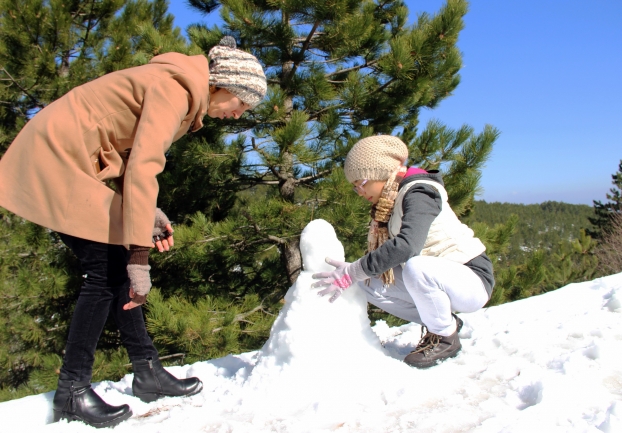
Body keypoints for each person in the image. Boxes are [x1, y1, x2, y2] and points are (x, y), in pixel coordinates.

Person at [0, 36, 266, 428]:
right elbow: (144, 167)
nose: (239, 114)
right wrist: (140, 255)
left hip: (70, 159)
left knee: (114, 264)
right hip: (54, 157)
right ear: (223, 85)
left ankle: (147, 372)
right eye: (242, 103)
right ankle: (72, 390)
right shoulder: (174, 90)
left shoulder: (181, 92)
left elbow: (128, 158)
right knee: (107, 269)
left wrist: (149, 215)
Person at [312, 135, 494, 369]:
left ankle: (445, 337)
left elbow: (408, 245)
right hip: (439, 280)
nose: (359, 191)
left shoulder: (420, 193)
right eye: (354, 186)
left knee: (415, 266)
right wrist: (356, 275)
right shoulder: (393, 200)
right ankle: (444, 322)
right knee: (367, 283)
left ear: (382, 171)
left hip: (471, 279)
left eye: (362, 182)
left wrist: (354, 270)